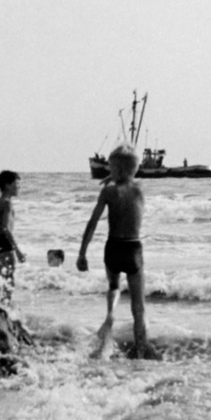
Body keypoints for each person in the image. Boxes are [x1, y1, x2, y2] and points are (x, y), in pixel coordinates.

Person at [76, 145, 155, 359]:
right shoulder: (140, 189)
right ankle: (141, 348)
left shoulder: (108, 191)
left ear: (112, 167)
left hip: (112, 247)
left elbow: (92, 222)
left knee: (113, 287)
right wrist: (117, 175)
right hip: (133, 248)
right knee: (139, 307)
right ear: (136, 167)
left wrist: (82, 253)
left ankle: (110, 315)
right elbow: (130, 177)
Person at [0, 170, 26, 294]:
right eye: (17, 184)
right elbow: (6, 228)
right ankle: (6, 308)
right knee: (9, 279)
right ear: (7, 185)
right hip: (4, 242)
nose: (19, 187)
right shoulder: (8, 203)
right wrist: (18, 251)